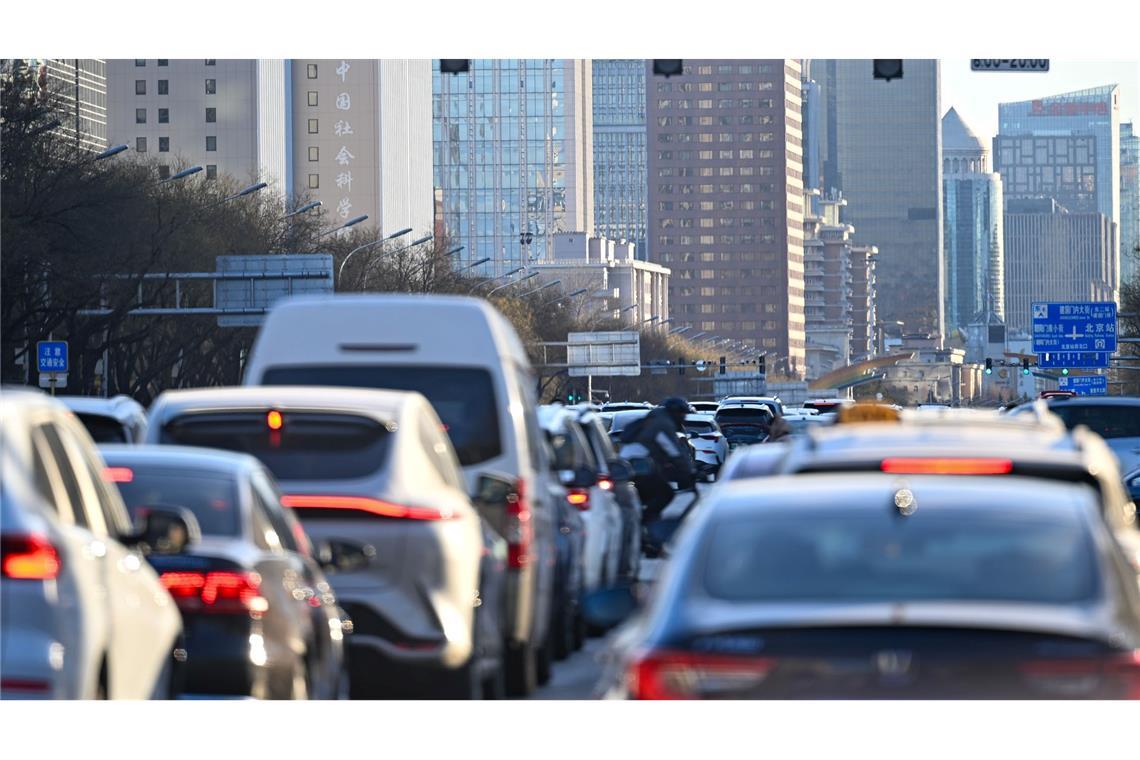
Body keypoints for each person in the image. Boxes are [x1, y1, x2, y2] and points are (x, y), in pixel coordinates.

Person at [618, 396, 696, 524]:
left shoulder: (656, 418)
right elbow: (674, 452)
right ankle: (644, 522)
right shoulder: (663, 425)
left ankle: (644, 520)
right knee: (665, 494)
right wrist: (690, 471)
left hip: (632, 463)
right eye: (683, 414)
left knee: (651, 492)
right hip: (638, 464)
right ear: (675, 413)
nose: (684, 418)